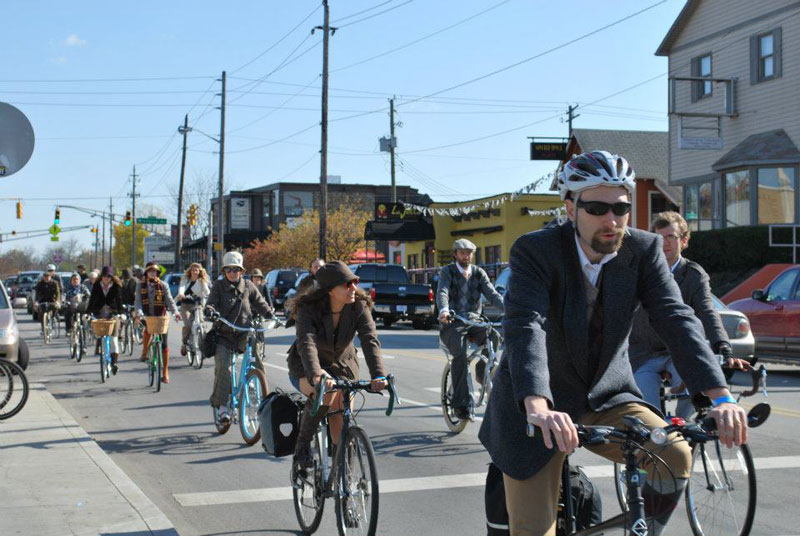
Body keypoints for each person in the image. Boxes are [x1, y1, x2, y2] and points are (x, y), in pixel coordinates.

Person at [478, 150, 747, 536]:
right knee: (534, 530)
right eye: (597, 208)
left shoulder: (644, 250)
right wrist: (537, 406)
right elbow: (526, 326)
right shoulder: (536, 251)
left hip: (606, 396)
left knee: (674, 453)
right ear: (570, 209)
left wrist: (720, 396)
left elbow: (676, 318)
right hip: (538, 407)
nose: (612, 220)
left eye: (620, 207)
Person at [630, 211, 750, 419]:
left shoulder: (693, 275)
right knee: (648, 413)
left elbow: (707, 311)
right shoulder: (641, 272)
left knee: (695, 392)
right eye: (659, 238)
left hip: (679, 351)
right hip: (643, 354)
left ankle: (684, 430)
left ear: (684, 241)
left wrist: (723, 346)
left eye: (671, 237)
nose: (665, 243)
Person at [286, 260, 388, 476]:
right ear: (331, 290)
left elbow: (370, 340)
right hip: (306, 365)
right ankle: (302, 448)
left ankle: (343, 471)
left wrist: (378, 374)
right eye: (347, 284)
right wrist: (316, 373)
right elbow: (307, 342)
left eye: (355, 282)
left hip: (343, 364)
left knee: (341, 411)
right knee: (325, 395)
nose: (353, 288)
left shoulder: (358, 305)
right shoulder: (309, 308)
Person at [436, 239, 504, 419]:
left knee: (495, 337)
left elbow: (492, 294)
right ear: (455, 254)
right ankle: (460, 405)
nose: (466, 256)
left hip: (475, 321)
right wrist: (444, 310)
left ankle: (481, 374)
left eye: (469, 253)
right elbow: (442, 291)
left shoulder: (478, 273)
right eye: (462, 252)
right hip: (453, 321)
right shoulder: (448, 271)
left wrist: (510, 309)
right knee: (459, 354)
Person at [205, 252, 274, 423]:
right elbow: (211, 303)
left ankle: (257, 389)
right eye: (228, 270)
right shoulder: (218, 286)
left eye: (235, 270)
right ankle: (222, 407)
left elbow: (261, 304)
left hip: (245, 332)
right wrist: (210, 311)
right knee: (225, 369)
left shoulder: (249, 285)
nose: (232, 273)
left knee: (257, 359)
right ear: (224, 271)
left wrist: (270, 314)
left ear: (241, 271)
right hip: (224, 334)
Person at [135, 262, 181, 383]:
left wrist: (176, 312)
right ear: (147, 273)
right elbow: (138, 301)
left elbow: (170, 300)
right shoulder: (140, 285)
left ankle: (165, 371)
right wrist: (139, 314)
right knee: (147, 330)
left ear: (158, 273)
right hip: (148, 315)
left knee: (164, 344)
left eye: (155, 271)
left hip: (161, 316)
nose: (152, 273)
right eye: (150, 271)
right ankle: (145, 352)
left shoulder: (164, 285)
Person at [87, 266, 124, 374]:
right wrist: (88, 312)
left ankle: (114, 363)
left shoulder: (116, 286)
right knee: (100, 334)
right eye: (104, 276)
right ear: (101, 277)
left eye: (109, 276)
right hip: (99, 314)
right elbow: (92, 299)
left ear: (112, 277)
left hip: (113, 314)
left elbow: (119, 300)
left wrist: (121, 313)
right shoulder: (97, 286)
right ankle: (99, 347)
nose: (106, 278)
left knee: (114, 340)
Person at [176, 263, 211, 356]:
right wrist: (181, 294)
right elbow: (182, 287)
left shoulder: (202, 281)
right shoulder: (185, 279)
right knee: (188, 325)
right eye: (193, 270)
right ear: (190, 271)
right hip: (186, 305)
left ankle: (202, 342)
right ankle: (184, 343)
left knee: (201, 323)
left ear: (199, 271)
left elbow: (207, 291)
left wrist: (209, 296)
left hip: (197, 305)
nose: (194, 271)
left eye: (196, 270)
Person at [33, 264, 62, 337]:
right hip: (43, 301)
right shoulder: (40, 283)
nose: (46, 278)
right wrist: (36, 302)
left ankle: (53, 318)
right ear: (43, 277)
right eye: (45, 277)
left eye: (48, 277)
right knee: (40, 313)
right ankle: (43, 329)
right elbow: (37, 293)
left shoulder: (55, 283)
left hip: (52, 301)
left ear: (50, 277)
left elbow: (58, 293)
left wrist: (57, 301)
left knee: (55, 308)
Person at [63, 273, 87, 355]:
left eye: (77, 279)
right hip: (71, 306)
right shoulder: (68, 288)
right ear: (71, 281)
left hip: (81, 306)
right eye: (73, 279)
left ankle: (84, 346)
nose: (75, 281)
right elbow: (64, 296)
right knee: (67, 313)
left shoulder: (83, 287)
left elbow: (89, 295)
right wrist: (65, 301)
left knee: (83, 326)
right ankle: (69, 329)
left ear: (79, 280)